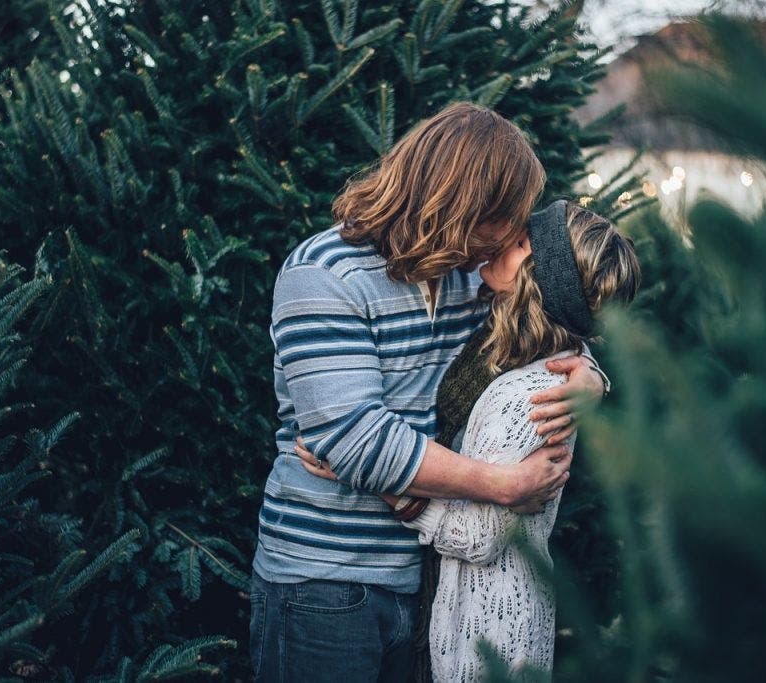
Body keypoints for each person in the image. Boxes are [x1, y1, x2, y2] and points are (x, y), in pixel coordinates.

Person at [249, 103, 608, 683]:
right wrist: (502, 484)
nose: (514, 235)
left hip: (426, 577)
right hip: (326, 582)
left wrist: (591, 375)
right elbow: (358, 441)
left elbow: (550, 318)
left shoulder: (468, 275)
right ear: (461, 206)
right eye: (505, 219)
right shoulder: (324, 274)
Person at [303, 199, 641, 681]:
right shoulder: (500, 338)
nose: (504, 242)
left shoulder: (534, 394)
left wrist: (369, 475)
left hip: (491, 626)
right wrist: (593, 374)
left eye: (522, 244)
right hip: (453, 604)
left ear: (542, 282)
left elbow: (480, 538)